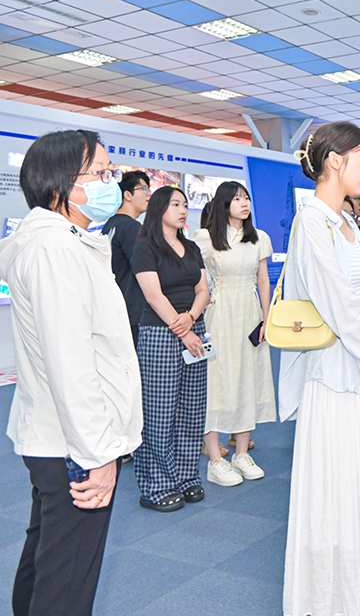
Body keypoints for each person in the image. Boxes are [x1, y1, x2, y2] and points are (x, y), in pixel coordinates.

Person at [0, 129, 142, 616]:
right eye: (100, 173)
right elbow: (71, 363)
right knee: (67, 581)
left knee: (49, 560)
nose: (111, 182)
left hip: (58, 436)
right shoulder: (55, 250)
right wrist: (99, 454)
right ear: (62, 184)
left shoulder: (57, 243)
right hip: (74, 443)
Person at [278, 122, 360, 616]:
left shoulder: (346, 223)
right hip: (334, 374)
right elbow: (336, 305)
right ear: (334, 161)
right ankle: (331, 602)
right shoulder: (310, 222)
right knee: (337, 489)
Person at [131, 186, 211, 512]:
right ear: (159, 208)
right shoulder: (145, 246)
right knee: (159, 412)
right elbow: (153, 295)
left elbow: (203, 290)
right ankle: (157, 485)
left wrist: (191, 318)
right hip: (160, 333)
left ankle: (186, 476)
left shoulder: (191, 247)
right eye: (175, 204)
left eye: (185, 204)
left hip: (194, 330)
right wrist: (184, 330)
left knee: (192, 409)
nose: (182, 210)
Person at [192, 181, 274, 487]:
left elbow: (263, 281)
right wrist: (202, 301)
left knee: (248, 377)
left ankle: (241, 453)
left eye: (247, 198)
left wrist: (266, 318)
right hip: (219, 314)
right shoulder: (205, 238)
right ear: (224, 203)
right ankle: (215, 459)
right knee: (216, 381)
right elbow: (194, 275)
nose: (245, 203)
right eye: (237, 198)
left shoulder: (259, 238)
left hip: (250, 314)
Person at [103, 169, 151, 346]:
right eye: (144, 189)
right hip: (133, 312)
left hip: (117, 309)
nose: (149, 194)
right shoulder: (131, 227)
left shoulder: (111, 224)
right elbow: (146, 270)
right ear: (128, 195)